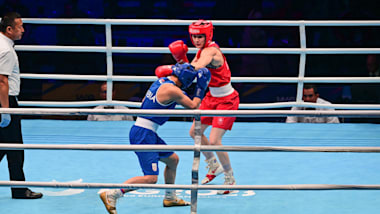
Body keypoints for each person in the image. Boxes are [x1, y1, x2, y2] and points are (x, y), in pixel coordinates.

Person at [100, 63, 211, 214]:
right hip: (143, 134)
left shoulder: (162, 80)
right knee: (151, 178)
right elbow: (193, 106)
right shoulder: (172, 90)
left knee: (173, 160)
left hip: (146, 131)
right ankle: (112, 194)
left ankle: (170, 197)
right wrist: (201, 87)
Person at [156, 20, 240, 194]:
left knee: (216, 141)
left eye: (200, 36)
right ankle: (213, 166)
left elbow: (198, 66)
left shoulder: (211, 51)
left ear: (207, 36)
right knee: (195, 132)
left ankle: (230, 178)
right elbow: (191, 72)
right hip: (211, 97)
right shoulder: (201, 50)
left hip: (227, 100)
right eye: (193, 36)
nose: (196, 40)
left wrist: (173, 67)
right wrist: (182, 61)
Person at [0, 12, 42, 199]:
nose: (23, 30)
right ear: (9, 30)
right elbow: (2, 81)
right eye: (20, 26)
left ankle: (18, 188)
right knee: (15, 147)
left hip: (4, 100)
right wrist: (6, 110)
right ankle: (19, 190)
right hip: (5, 101)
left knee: (5, 146)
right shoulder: (6, 50)